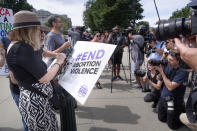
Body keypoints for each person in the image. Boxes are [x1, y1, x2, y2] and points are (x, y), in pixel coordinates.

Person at [6, 10, 66, 131]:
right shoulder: (21, 48)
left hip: (38, 100)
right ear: (30, 30)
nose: (41, 33)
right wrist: (59, 61)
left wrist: (55, 55)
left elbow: (41, 51)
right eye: (39, 30)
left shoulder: (24, 44)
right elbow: (45, 78)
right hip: (35, 103)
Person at [155, 51, 189, 130]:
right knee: (161, 118)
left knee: (172, 126)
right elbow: (160, 78)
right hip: (164, 97)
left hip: (174, 101)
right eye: (168, 59)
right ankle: (174, 114)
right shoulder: (168, 65)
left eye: (171, 60)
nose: (168, 61)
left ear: (178, 60)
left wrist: (161, 73)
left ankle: (183, 113)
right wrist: (159, 75)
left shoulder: (183, 71)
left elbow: (170, 87)